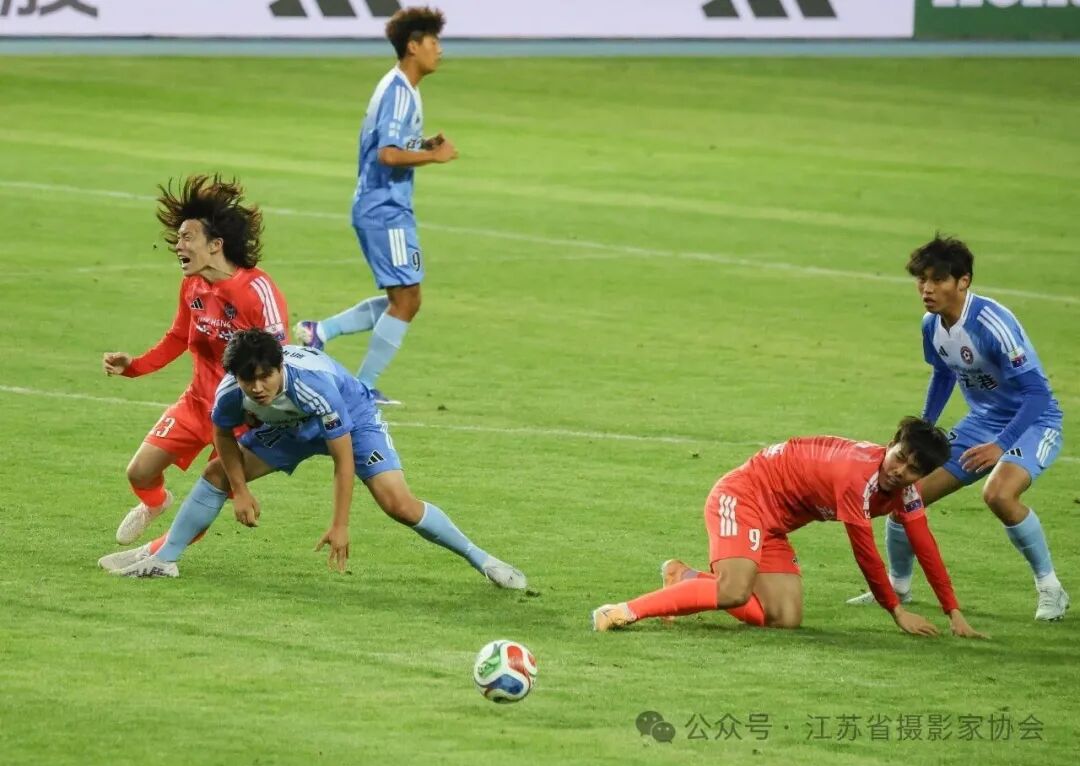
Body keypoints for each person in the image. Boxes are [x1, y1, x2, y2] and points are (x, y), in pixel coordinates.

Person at [98, 330, 526, 590]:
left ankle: (483, 559)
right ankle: (165, 561)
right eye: (249, 380)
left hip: (351, 419)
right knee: (217, 474)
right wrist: (240, 491)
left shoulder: (312, 387)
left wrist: (340, 525)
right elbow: (223, 436)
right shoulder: (231, 392)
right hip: (289, 427)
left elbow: (342, 459)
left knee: (398, 504)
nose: (258, 387)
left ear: (279, 368)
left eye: (265, 376)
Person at [592, 418, 985, 638]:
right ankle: (622, 611)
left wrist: (953, 612)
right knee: (732, 590)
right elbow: (865, 553)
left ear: (922, 476)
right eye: (898, 457)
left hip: (774, 525)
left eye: (912, 469)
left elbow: (925, 544)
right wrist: (896, 611)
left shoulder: (904, 492)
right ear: (891, 444)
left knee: (784, 618)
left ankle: (686, 578)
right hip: (743, 497)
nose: (899, 471)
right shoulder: (857, 476)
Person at [846, 236, 1068, 621]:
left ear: (963, 281)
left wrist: (1001, 445)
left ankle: (1051, 588)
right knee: (907, 494)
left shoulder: (993, 324)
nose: (927, 289)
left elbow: (1036, 393)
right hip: (982, 421)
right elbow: (944, 372)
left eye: (937, 280)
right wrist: (923, 428)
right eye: (921, 280)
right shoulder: (931, 325)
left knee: (999, 495)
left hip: (1034, 421)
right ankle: (898, 585)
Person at [102, 174, 288, 547]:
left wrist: (261, 410)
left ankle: (156, 554)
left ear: (216, 244)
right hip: (198, 401)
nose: (178, 245)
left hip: (241, 414)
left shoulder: (256, 290)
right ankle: (155, 503)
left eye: (188, 238)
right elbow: (178, 337)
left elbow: (280, 357)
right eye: (179, 238)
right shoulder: (193, 284)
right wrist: (134, 366)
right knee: (139, 472)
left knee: (210, 490)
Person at [294, 6, 457, 405]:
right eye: (433, 42)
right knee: (408, 300)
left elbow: (390, 145)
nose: (440, 50)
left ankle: (321, 332)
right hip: (385, 209)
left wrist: (421, 145)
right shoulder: (399, 93)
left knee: (404, 299)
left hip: (382, 206)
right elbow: (387, 154)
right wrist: (433, 156)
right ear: (413, 46)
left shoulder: (400, 87)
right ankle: (362, 388)